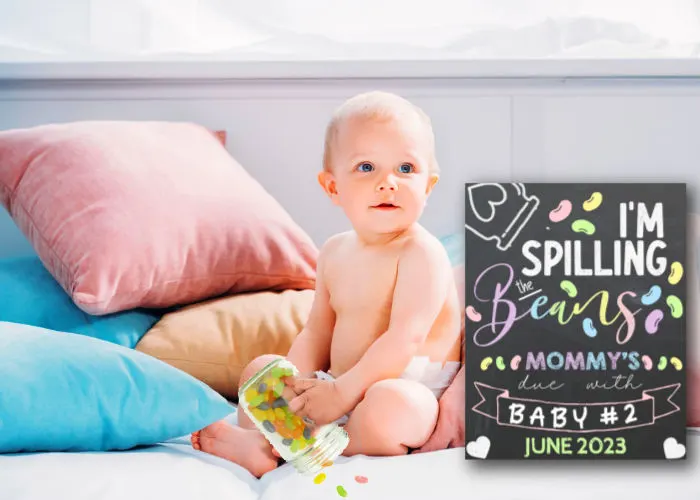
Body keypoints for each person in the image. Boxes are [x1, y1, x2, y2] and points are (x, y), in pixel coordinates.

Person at [191, 90, 462, 477]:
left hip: (406, 386)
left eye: (405, 169)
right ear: (333, 187)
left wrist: (343, 394)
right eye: (367, 168)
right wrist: (298, 387)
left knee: (395, 408)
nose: (389, 183)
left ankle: (289, 449)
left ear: (428, 186)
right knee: (262, 369)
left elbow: (405, 339)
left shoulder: (422, 253)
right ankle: (272, 437)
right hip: (334, 385)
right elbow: (317, 332)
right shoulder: (335, 252)